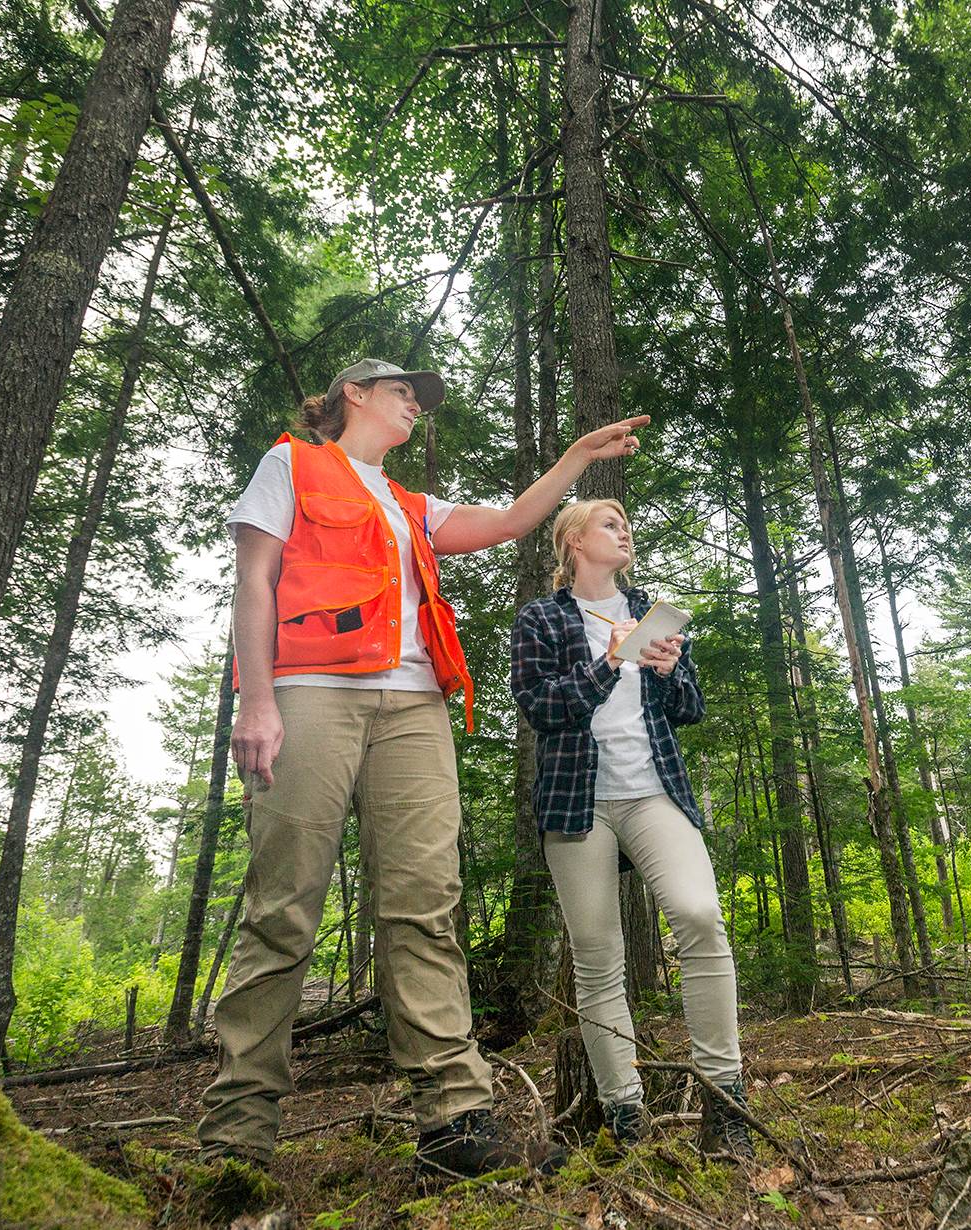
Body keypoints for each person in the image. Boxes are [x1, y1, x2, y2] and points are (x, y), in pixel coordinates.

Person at [198, 358, 647, 1180]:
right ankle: (237, 1137)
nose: (415, 404)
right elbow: (253, 582)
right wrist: (255, 701)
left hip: (413, 706)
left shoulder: (410, 504)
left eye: (419, 397)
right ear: (354, 396)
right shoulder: (290, 463)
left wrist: (578, 458)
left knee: (424, 905)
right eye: (402, 390)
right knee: (282, 906)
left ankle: (455, 1120)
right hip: (310, 693)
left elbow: (513, 521)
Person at [508, 499, 752, 1158]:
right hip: (576, 802)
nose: (624, 533)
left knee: (700, 916)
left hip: (653, 793)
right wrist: (609, 661)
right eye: (610, 525)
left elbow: (690, 708)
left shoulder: (654, 613)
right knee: (595, 956)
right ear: (574, 540)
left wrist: (671, 673)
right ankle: (625, 1112)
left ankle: (725, 1101)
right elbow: (540, 706)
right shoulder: (540, 618)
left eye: (626, 524)